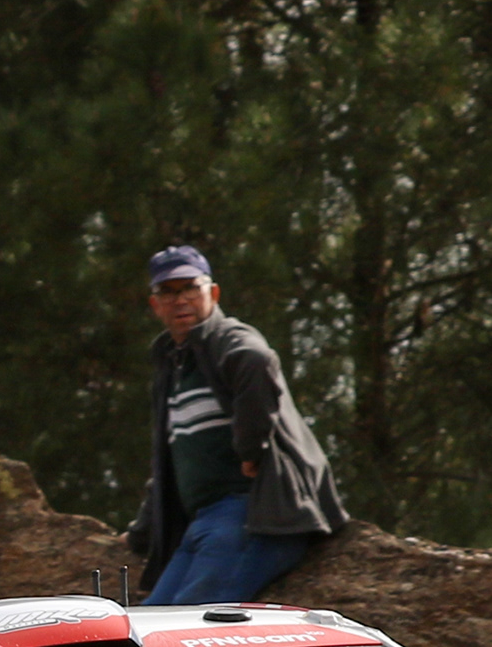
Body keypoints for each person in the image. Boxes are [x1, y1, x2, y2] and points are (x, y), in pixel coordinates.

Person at [125, 247, 345, 607]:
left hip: (253, 514)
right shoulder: (173, 367)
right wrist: (142, 532)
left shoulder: (226, 338)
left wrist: (251, 449)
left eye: (190, 288)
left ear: (213, 294)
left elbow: (256, 361)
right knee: (149, 622)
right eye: (168, 291)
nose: (180, 299)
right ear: (155, 305)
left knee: (188, 624)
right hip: (204, 522)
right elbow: (169, 461)